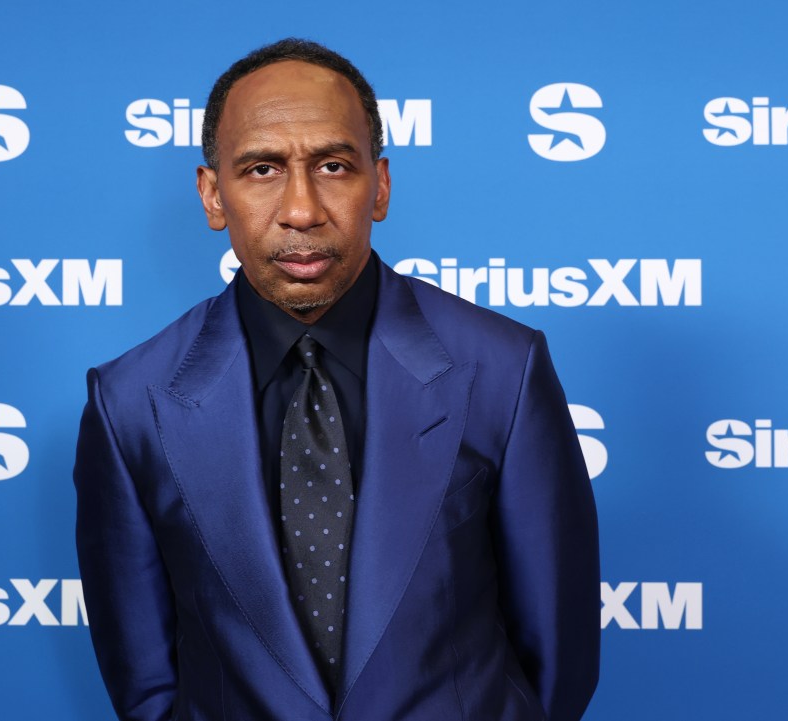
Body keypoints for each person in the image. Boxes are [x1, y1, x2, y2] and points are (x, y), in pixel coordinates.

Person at [74, 38, 600, 721]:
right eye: (262, 168)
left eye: (333, 165)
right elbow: (145, 681)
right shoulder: (130, 403)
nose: (302, 209)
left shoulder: (503, 369)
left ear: (378, 186)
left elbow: (557, 660)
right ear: (212, 194)